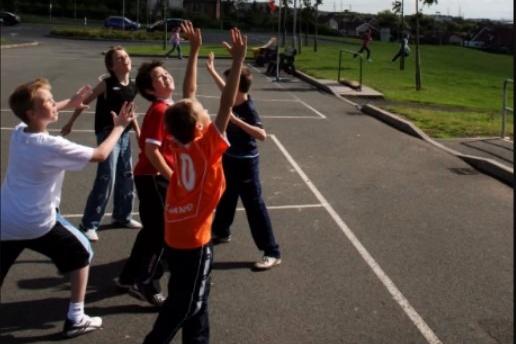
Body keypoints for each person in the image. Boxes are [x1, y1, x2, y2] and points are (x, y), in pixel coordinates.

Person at [1, 78, 135, 338]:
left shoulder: (20, 132)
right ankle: (76, 317)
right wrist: (118, 128)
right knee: (83, 252)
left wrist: (70, 103)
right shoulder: (51, 146)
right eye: (48, 102)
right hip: (36, 222)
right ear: (32, 113)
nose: (54, 104)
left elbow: (42, 110)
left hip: (5, 217)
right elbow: (100, 155)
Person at [142, 26, 247, 344]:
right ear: (201, 125)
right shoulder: (206, 146)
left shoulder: (178, 142)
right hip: (194, 241)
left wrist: (193, 51)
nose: (198, 103)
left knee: (196, 303)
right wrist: (238, 62)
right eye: (201, 111)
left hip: (175, 233)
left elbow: (188, 96)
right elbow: (227, 104)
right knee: (187, 304)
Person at [116, 20, 194, 304]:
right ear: (150, 90)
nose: (165, 78)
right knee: (162, 232)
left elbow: (149, 144)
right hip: (153, 177)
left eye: (165, 74)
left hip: (154, 176)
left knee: (152, 232)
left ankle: (127, 277)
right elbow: (151, 152)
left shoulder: (168, 107)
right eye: (159, 78)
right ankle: (146, 282)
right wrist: (173, 177)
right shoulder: (160, 110)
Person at [206, 52, 281, 270]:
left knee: (254, 206)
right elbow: (224, 87)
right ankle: (221, 231)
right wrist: (211, 69)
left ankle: (272, 251)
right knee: (226, 197)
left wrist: (236, 121)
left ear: (237, 87)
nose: (225, 86)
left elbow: (262, 135)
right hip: (230, 159)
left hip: (246, 163)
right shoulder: (234, 98)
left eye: (230, 83)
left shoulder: (247, 108)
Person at [61, 46, 142, 242]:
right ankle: (88, 224)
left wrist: (138, 133)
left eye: (126, 56)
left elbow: (130, 112)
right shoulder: (106, 84)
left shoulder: (132, 85)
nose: (125, 60)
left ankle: (122, 216)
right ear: (112, 66)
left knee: (126, 174)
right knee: (107, 177)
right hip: (107, 134)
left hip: (123, 134)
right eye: (119, 58)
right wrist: (70, 122)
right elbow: (84, 102)